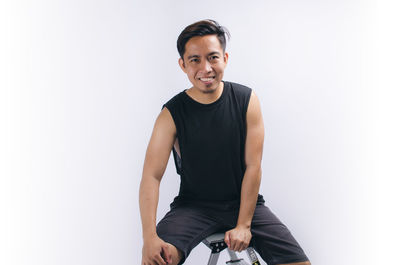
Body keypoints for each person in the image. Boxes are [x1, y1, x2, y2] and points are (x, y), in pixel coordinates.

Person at [139, 19, 311, 265]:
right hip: (193, 207)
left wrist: (244, 224)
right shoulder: (172, 113)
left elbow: (253, 166)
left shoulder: (246, 100)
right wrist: (149, 238)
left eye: (213, 58)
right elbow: (151, 177)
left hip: (244, 203)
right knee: (156, 260)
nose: (206, 68)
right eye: (195, 60)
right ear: (183, 64)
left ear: (225, 58)